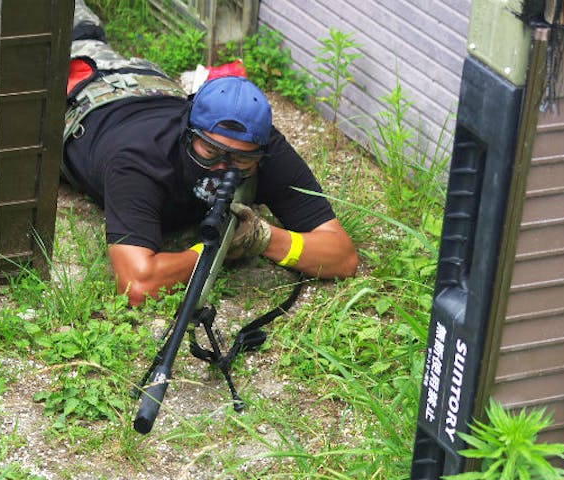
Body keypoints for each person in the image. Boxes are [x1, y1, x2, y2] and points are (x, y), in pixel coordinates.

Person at [63, 0, 358, 306]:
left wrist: (264, 238)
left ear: (260, 152)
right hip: (81, 97)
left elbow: (343, 257)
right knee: (57, 33)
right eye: (210, 151)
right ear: (187, 134)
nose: (222, 168)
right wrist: (210, 251)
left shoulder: (264, 147)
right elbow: (137, 284)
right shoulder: (140, 159)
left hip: (150, 85)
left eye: (240, 160)